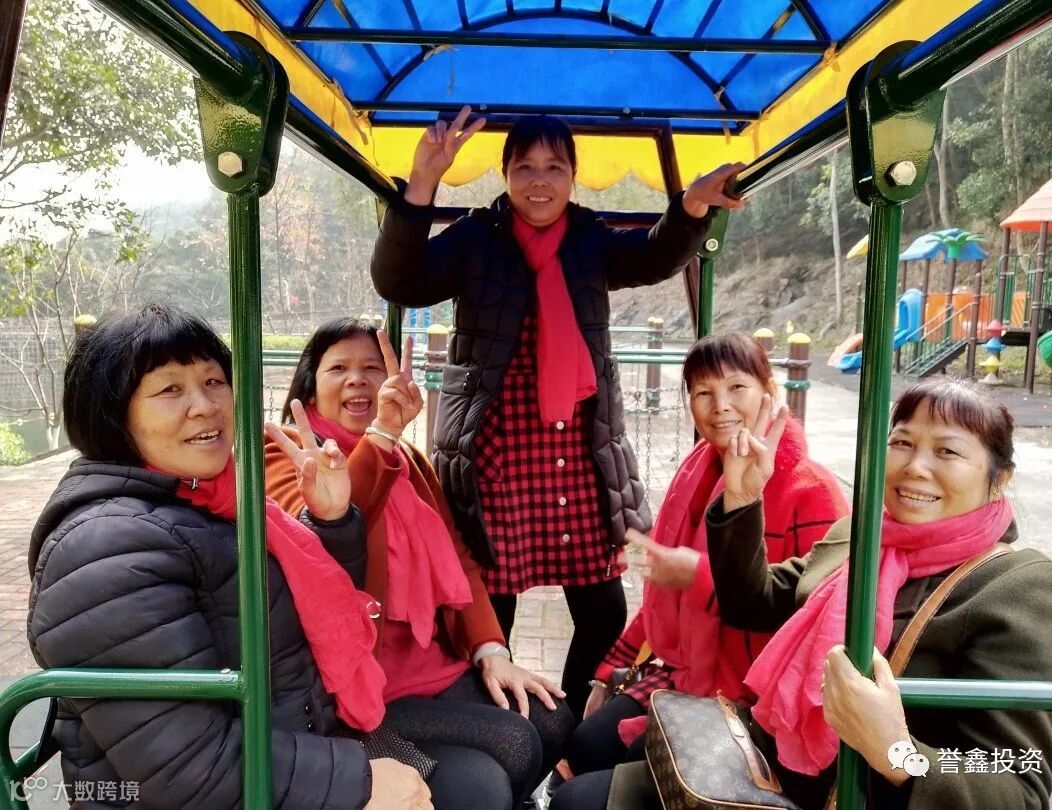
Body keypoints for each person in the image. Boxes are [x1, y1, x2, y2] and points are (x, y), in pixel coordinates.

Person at [371, 107, 746, 718]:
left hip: (579, 450)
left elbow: (653, 256)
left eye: (554, 167)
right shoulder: (476, 237)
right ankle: (510, 725)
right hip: (496, 450)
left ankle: (565, 721)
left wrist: (692, 206)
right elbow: (400, 280)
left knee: (603, 609)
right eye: (525, 167)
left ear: (573, 176)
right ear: (506, 174)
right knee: (495, 605)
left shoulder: (589, 237)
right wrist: (423, 183)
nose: (540, 181)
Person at [553, 376, 1052, 809]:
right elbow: (755, 601)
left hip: (855, 793)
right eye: (902, 443)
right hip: (773, 762)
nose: (915, 467)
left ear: (999, 478)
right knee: (588, 783)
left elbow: (1019, 787)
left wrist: (896, 751)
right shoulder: (863, 535)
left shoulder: (1016, 587)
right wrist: (742, 499)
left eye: (947, 451)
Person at [27, 304, 429, 809]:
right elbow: (189, 771)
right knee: (481, 783)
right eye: (170, 389)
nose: (205, 406)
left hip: (296, 730)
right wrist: (360, 783)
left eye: (214, 381)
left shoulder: (213, 497)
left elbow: (293, 616)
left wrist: (331, 522)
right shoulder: (105, 550)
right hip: (227, 781)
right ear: (111, 413)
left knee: (510, 748)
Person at [264, 317, 574, 810]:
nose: (357, 380)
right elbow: (324, 537)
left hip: (432, 660)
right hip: (360, 687)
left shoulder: (407, 458)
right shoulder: (286, 454)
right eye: (338, 368)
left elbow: (458, 556)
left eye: (372, 368)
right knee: (505, 758)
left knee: (552, 719)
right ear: (310, 384)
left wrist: (492, 649)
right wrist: (382, 434)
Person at [563, 333, 847, 778]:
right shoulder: (697, 472)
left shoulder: (814, 493)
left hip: (755, 692)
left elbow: (811, 615)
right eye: (703, 393)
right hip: (686, 667)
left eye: (737, 387)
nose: (720, 407)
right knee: (583, 743)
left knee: (610, 772)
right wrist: (610, 669)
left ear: (769, 392)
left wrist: (695, 576)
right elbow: (665, 596)